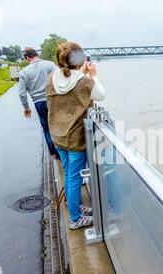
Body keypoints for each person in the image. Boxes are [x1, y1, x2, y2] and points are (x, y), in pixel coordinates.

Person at [46, 42, 105, 230]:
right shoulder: (84, 80)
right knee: (74, 178)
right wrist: (93, 76)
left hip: (58, 135)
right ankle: (75, 218)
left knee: (68, 173)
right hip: (75, 138)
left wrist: (85, 75)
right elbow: (100, 95)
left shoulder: (51, 78)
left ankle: (74, 206)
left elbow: (71, 87)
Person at [18, 47, 60, 159]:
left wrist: (26, 107)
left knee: (46, 128)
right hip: (53, 99)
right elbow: (59, 79)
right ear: (36, 54)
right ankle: (62, 151)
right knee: (58, 125)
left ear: (27, 58)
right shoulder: (50, 65)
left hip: (38, 103)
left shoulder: (23, 72)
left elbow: (22, 93)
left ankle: (53, 152)